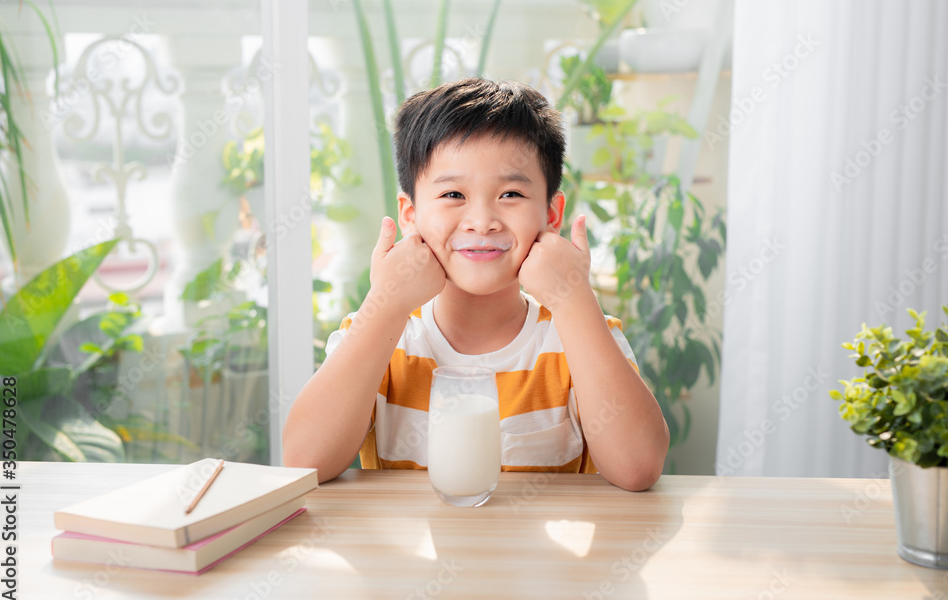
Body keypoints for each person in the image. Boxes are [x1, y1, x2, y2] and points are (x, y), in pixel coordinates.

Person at [283, 77, 669, 491]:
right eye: (452, 194)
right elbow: (305, 462)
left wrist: (574, 301)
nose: (482, 221)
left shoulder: (582, 332)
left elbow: (638, 468)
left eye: (511, 195)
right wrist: (386, 303)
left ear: (551, 215)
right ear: (410, 215)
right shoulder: (382, 334)